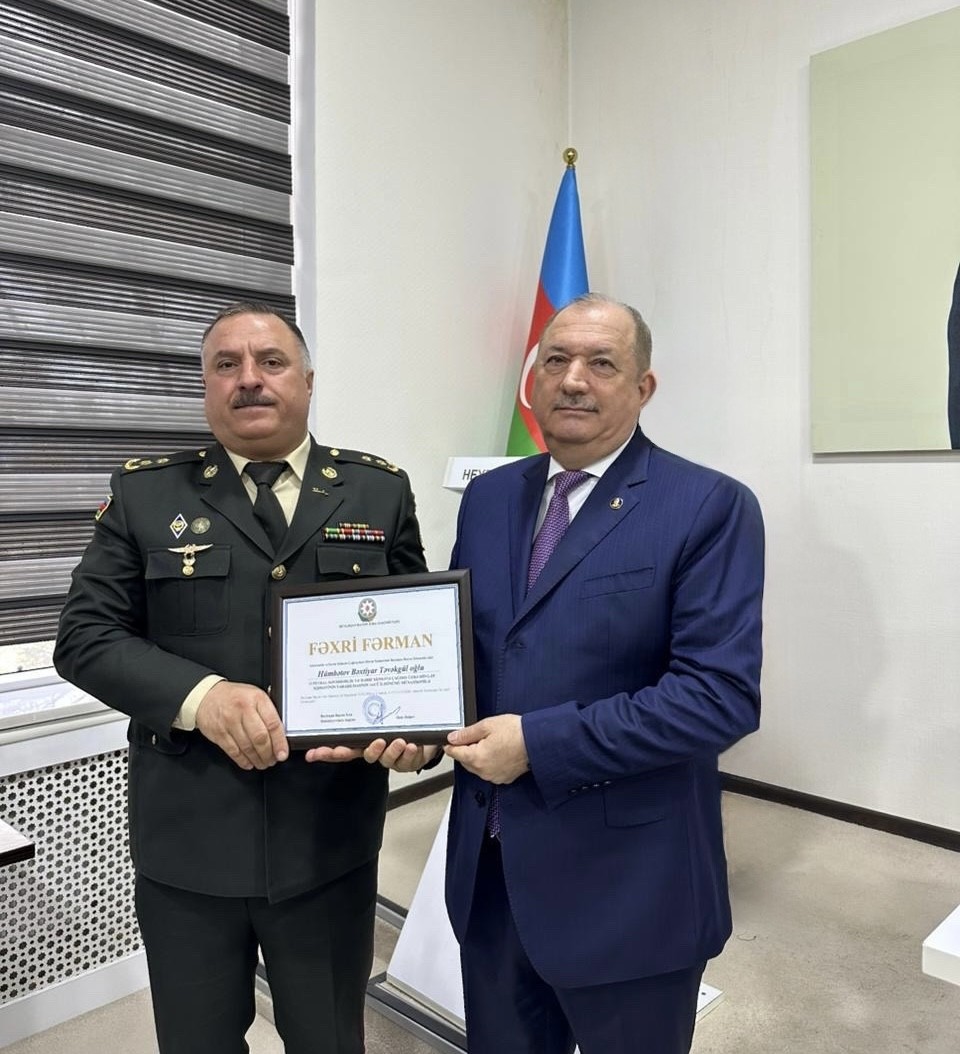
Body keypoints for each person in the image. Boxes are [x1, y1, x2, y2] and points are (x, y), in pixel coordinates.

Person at [53, 301, 428, 1054]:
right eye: (226, 365)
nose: (249, 379)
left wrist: (417, 733)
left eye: (271, 362)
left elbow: (415, 643)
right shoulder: (146, 495)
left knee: (330, 1041)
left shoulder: (377, 491)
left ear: (308, 381)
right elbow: (85, 637)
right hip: (190, 838)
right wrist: (203, 698)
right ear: (206, 386)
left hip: (327, 839)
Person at [442, 292, 765, 1054]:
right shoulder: (489, 498)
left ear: (643, 386)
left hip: (630, 893)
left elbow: (718, 697)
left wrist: (537, 744)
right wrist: (414, 729)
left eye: (601, 363)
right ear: (533, 380)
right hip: (491, 875)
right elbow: (468, 658)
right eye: (555, 359)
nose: (573, 379)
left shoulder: (708, 505)